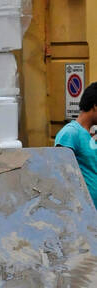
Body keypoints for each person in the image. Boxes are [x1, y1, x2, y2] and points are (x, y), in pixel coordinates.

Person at [55, 82, 97, 210]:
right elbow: (59, 174)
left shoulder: (91, 134)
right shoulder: (70, 133)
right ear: (95, 107)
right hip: (82, 212)